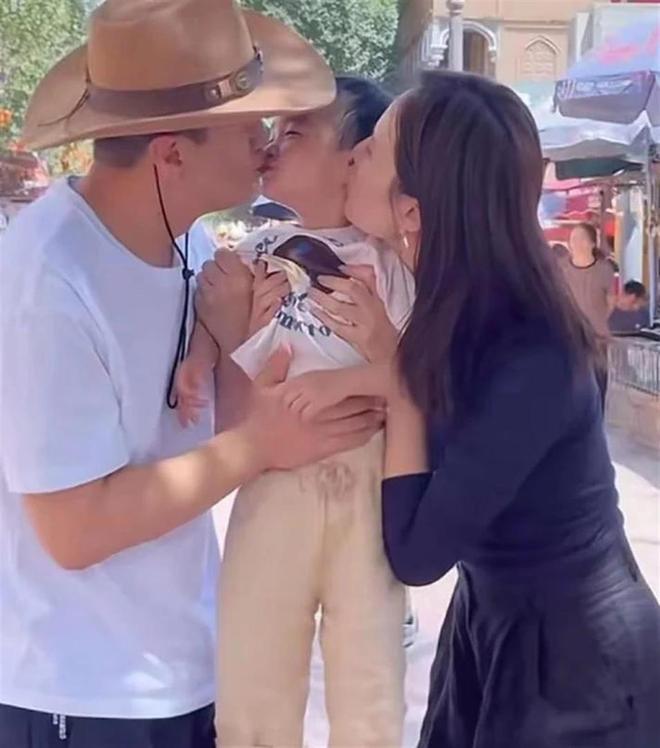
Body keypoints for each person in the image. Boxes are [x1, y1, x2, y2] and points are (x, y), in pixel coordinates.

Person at [0, 2, 383, 747]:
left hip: (187, 668)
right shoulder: (46, 284)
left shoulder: (195, 246)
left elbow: (214, 425)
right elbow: (75, 530)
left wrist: (239, 348)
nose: (265, 140)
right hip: (84, 694)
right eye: (246, 124)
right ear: (172, 154)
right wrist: (263, 444)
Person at [279, 71, 660, 747]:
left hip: (579, 669)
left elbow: (417, 551)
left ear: (412, 214)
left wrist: (396, 380)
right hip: (496, 630)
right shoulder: (452, 304)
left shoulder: (531, 354)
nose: (353, 154)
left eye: (373, 147)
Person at [179, 75, 415, 746]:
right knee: (253, 670)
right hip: (272, 481)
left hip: (367, 487)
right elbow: (213, 315)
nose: (272, 145)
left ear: (355, 159)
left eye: (296, 134)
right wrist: (199, 358)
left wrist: (372, 366)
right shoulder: (254, 251)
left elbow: (419, 375)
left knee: (369, 684)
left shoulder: (389, 263)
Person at [560, 222, 616, 338]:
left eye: (582, 238)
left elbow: (611, 302)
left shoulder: (604, 270)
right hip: (568, 334)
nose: (577, 243)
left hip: (597, 335)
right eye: (574, 239)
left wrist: (597, 321)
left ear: (593, 243)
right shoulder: (560, 268)